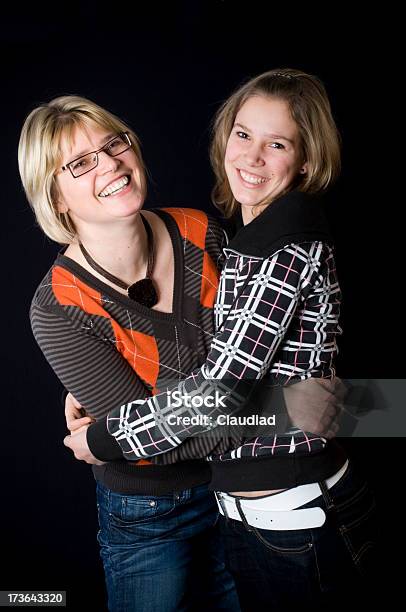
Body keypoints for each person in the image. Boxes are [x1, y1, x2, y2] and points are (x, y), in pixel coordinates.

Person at [64, 70, 379, 609]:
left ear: (305, 159)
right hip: (247, 514)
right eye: (242, 134)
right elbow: (223, 366)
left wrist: (102, 440)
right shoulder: (242, 235)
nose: (252, 158)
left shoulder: (276, 241)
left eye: (276, 144)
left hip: (295, 517)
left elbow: (222, 392)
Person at [19, 95, 241, 612]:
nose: (111, 164)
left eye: (113, 144)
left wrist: (108, 437)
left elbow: (243, 373)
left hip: (242, 490)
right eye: (80, 163)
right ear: (55, 198)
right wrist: (120, 438)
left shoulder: (200, 231)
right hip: (150, 509)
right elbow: (151, 443)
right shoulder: (58, 307)